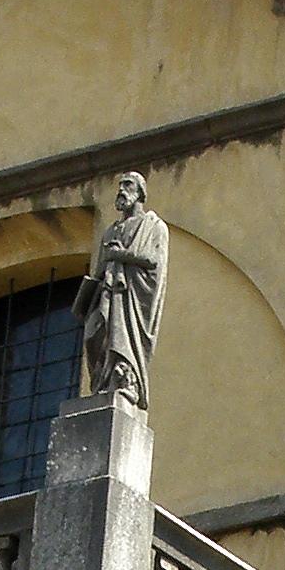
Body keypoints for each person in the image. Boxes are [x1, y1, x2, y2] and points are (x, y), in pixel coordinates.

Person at [74, 171, 169, 405]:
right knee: (94, 334)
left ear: (140, 193)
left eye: (128, 185)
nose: (121, 190)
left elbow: (153, 260)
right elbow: (100, 269)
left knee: (123, 339)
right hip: (107, 292)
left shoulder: (154, 226)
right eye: (120, 185)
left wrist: (121, 255)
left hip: (133, 297)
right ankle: (102, 382)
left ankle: (127, 380)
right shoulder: (111, 231)